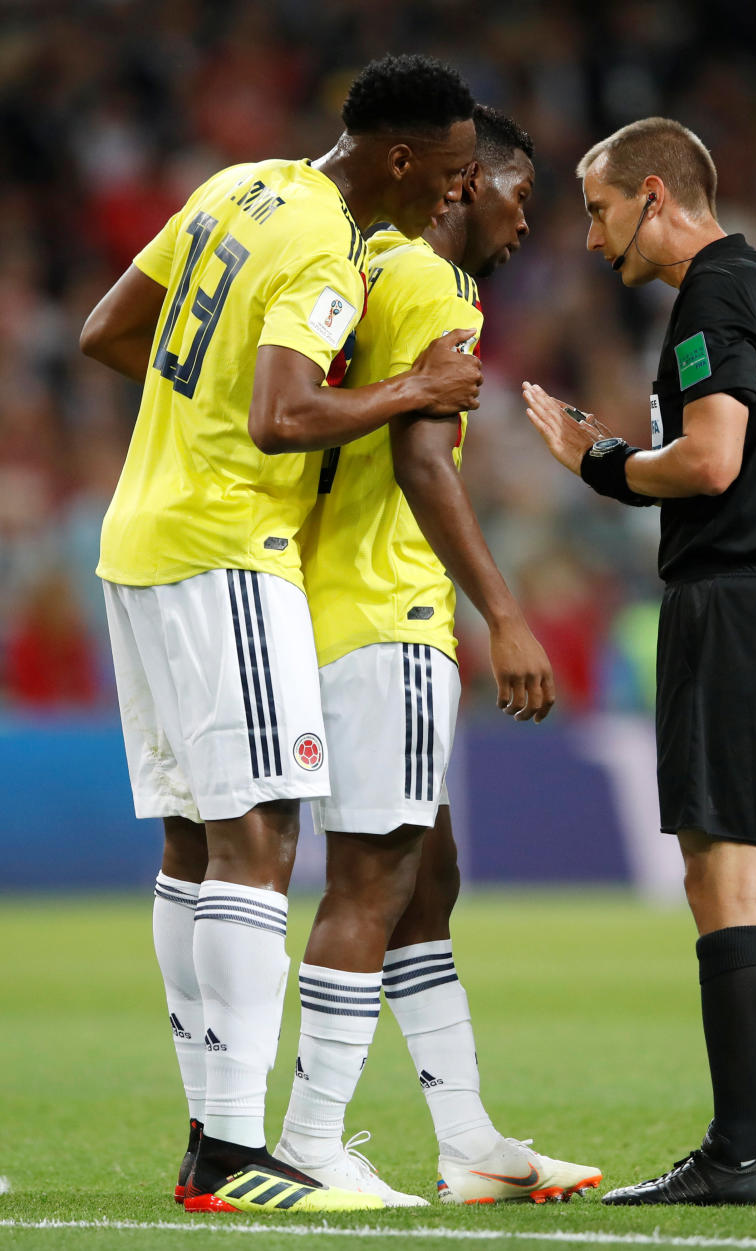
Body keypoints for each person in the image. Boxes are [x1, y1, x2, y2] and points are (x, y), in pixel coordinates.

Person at [79, 53, 483, 1216]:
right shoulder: (325, 241)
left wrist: (187, 409)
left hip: (138, 538)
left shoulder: (236, 186)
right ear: (399, 156)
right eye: (447, 172)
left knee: (195, 848)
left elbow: (114, 330)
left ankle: (211, 1132)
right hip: (227, 549)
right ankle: (240, 1152)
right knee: (261, 845)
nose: (450, 196)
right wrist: (409, 393)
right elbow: (281, 414)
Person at [524, 117, 756, 1206]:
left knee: (722, 879)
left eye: (600, 208)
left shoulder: (711, 297)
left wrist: (603, 462)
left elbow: (713, 461)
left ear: (657, 195)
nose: (591, 239)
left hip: (729, 610)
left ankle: (736, 1153)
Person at [272, 105, 601, 1206]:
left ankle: (468, 1140)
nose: (524, 225)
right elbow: (424, 458)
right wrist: (504, 614)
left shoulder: (365, 260)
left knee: (429, 875)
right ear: (466, 186)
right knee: (375, 880)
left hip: (332, 610)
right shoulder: (435, 283)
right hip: (386, 618)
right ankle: (311, 1140)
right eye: (517, 197)